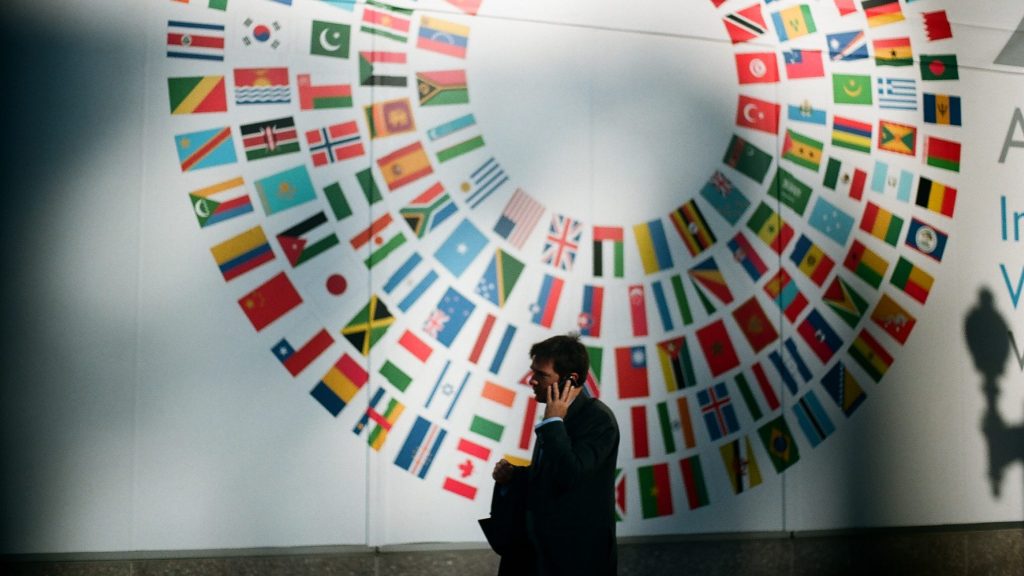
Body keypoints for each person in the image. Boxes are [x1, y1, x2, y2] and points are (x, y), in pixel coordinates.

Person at [488, 333, 620, 576]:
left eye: (541, 374)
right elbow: (549, 477)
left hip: (574, 561)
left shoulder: (598, 420)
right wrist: (512, 477)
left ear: (571, 379)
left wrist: (553, 423)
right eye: (533, 371)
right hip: (535, 554)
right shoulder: (555, 415)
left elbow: (571, 475)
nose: (532, 380)